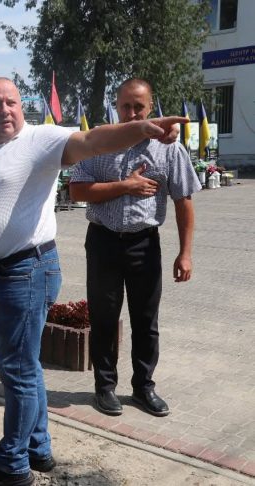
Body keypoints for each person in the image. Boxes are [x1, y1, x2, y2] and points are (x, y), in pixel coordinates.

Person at [0, 77, 186, 486]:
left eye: (11, 102)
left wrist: (142, 129)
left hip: (25, 270)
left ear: (21, 106)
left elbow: (93, 141)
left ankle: (11, 465)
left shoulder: (40, 140)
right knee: (23, 367)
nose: (5, 110)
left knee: (16, 369)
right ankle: (37, 448)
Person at [68, 78, 200, 418]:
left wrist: (185, 253)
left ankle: (143, 387)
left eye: (138, 106)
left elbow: (183, 200)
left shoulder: (168, 149)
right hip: (103, 241)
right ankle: (105, 387)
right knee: (104, 317)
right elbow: (77, 190)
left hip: (144, 243)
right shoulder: (99, 143)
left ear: (150, 107)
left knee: (145, 320)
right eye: (125, 106)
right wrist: (125, 186)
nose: (131, 113)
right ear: (116, 105)